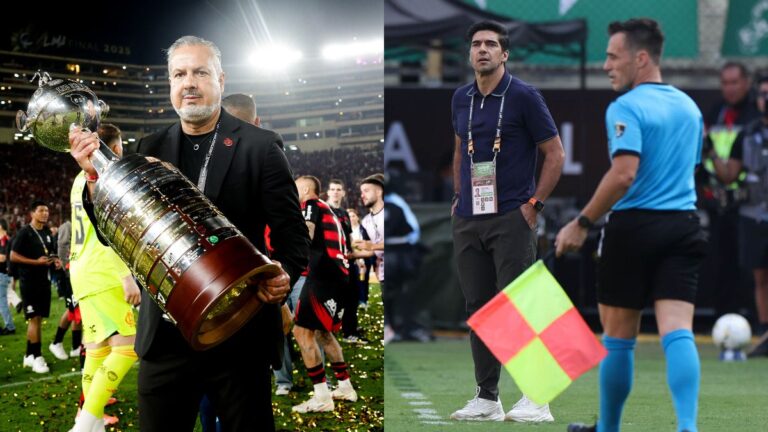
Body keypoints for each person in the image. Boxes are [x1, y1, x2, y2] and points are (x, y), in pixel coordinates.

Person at [68, 35, 310, 431]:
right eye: (179, 74)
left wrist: (283, 275)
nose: (189, 83)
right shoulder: (150, 145)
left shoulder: (260, 146)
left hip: (237, 329)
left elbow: (292, 235)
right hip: (165, 340)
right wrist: (95, 178)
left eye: (200, 72)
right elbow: (115, 233)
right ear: (170, 84)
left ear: (221, 79)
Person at [556, 19, 707, 432]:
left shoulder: (626, 106)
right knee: (678, 331)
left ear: (641, 59)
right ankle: (688, 427)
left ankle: (608, 429)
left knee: (619, 335)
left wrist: (582, 223)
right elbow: (689, 171)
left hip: (634, 229)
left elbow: (624, 174)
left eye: (612, 56)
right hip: (683, 226)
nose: (606, 65)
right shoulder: (690, 107)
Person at [449, 20, 564, 423]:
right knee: (479, 307)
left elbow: (555, 154)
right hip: (468, 217)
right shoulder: (460, 97)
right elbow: (462, 148)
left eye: (491, 44)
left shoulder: (524, 96)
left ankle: (539, 399)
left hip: (512, 214)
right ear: (470, 53)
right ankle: (487, 398)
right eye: (477, 44)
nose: (482, 50)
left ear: (505, 54)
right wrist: (459, 195)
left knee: (518, 306)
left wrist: (535, 203)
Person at [68, 123, 140, 432]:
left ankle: (89, 420)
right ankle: (84, 426)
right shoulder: (103, 177)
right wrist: (126, 274)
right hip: (105, 271)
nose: (121, 155)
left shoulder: (77, 179)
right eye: (119, 149)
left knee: (97, 350)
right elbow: (108, 229)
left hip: (82, 272)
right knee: (128, 346)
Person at [696, 61, 760, 317]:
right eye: (725, 83)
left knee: (751, 265)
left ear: (747, 83)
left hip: (751, 201)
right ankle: (723, 317)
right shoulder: (716, 113)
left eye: (734, 82)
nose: (730, 88)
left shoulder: (757, 113)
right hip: (719, 200)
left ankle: (755, 318)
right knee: (722, 262)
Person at [291, 175, 358, 413]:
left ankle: (321, 397)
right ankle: (345, 387)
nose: (293, 190)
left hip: (322, 275)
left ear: (307, 188)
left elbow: (305, 235)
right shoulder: (326, 208)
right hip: (338, 276)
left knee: (301, 332)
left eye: (296, 186)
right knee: (323, 333)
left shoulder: (310, 206)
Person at [732, 75, 768, 357]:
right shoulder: (747, 133)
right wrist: (709, 157)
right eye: (763, 95)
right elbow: (731, 172)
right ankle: (763, 329)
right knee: (760, 275)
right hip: (754, 213)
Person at [10, 200, 62, 374]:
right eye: (41, 210)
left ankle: (28, 355)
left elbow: (50, 253)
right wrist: (35, 263)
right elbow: (13, 256)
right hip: (29, 282)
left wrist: (55, 260)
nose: (45, 213)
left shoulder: (47, 232)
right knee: (34, 319)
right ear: (32, 213)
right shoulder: (25, 232)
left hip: (44, 281)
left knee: (38, 319)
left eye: (47, 210)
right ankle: (38, 356)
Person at [327, 179, 365, 343]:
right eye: (333, 189)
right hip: (331, 264)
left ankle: (350, 331)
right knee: (331, 300)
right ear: (328, 192)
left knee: (352, 297)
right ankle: (329, 333)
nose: (336, 192)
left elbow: (349, 236)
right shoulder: (323, 210)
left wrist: (355, 255)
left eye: (338, 189)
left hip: (348, 262)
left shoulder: (343, 213)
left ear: (343, 193)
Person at [49, 218, 83, 362]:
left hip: (79, 273)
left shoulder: (80, 221)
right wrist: (67, 268)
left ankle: (76, 347)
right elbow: (62, 246)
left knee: (77, 310)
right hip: (70, 275)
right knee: (72, 309)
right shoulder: (68, 226)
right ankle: (56, 342)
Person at [355, 175, 385, 338]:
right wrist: (350, 255)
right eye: (361, 192)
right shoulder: (366, 221)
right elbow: (369, 251)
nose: (362, 195)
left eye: (366, 191)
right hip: (381, 272)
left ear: (379, 191)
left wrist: (371, 245)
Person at [0, 218, 16, 335]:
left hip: (2, 274)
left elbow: (3, 258)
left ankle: (10, 327)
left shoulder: (5, 240)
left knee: (2, 302)